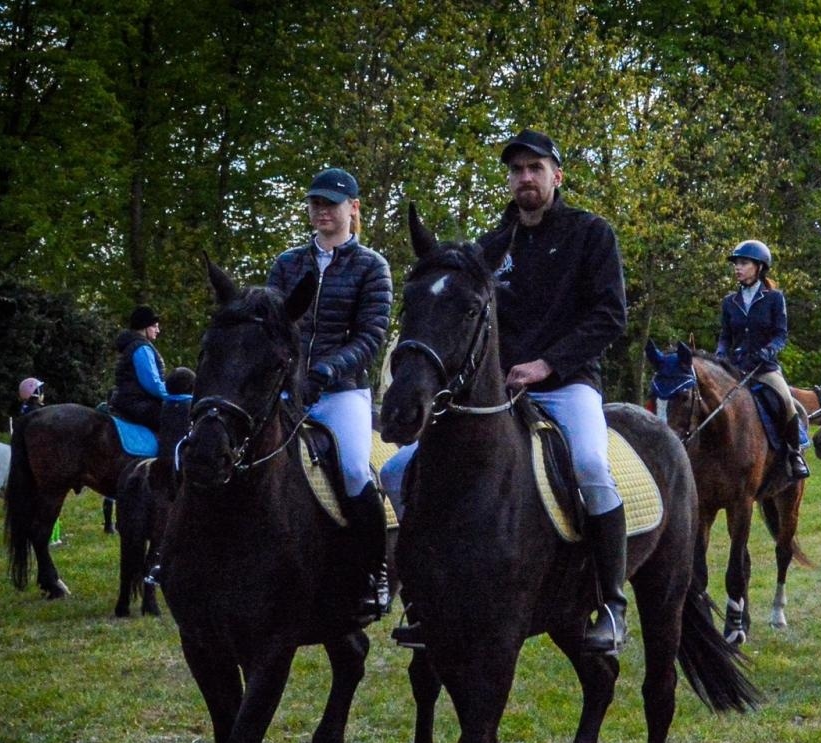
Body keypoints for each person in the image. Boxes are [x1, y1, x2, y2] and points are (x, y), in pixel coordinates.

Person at [399, 130, 630, 655]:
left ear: (557, 175)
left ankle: (612, 605)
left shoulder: (592, 234)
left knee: (592, 465)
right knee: (398, 471)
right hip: (493, 392)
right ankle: (422, 598)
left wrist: (548, 364)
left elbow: (610, 315)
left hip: (568, 383)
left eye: (535, 168)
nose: (525, 177)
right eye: (516, 169)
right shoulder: (490, 245)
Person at [266, 166, 393, 626]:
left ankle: (374, 572)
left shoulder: (371, 267)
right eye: (315, 202)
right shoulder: (287, 264)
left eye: (330, 203)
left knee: (357, 470)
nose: (321, 210)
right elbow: (273, 324)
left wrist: (326, 369)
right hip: (285, 388)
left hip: (341, 391)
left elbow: (371, 335)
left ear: (353, 208)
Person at [716, 239, 808, 481]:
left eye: (743, 263)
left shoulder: (774, 298)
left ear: (759, 267)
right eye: (736, 263)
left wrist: (768, 351)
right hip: (735, 368)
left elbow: (781, 335)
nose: (737, 268)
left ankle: (794, 453)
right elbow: (725, 337)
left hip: (764, 367)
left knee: (786, 401)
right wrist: (720, 353)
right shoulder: (729, 302)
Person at [108, 306, 189, 430]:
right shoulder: (142, 348)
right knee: (176, 419)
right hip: (137, 403)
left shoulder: (132, 345)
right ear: (145, 326)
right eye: (154, 326)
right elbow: (153, 384)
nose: (158, 330)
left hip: (127, 400)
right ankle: (169, 449)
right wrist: (176, 397)